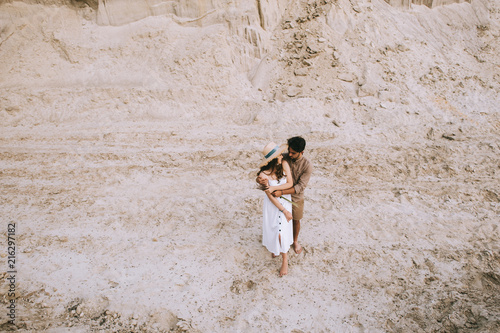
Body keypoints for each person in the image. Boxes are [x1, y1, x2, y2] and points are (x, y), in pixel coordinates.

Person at [257, 136, 313, 254]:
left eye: (293, 153)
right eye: (290, 151)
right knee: (279, 221)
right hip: (279, 195)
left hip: (295, 197)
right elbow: (267, 171)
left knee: (296, 220)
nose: (290, 155)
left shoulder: (307, 165)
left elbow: (300, 187)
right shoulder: (283, 158)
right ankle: (278, 244)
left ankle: (295, 241)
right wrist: (259, 180)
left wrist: (281, 192)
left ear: (301, 152)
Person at [257, 142, 294, 276]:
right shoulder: (263, 175)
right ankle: (275, 248)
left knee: (282, 232)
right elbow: (270, 196)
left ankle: (285, 260)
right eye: (279, 155)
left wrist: (274, 188)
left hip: (286, 200)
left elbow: (290, 183)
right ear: (272, 159)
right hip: (273, 206)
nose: (282, 157)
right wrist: (284, 211)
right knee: (274, 230)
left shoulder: (284, 164)